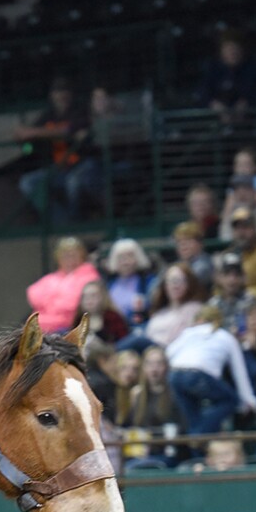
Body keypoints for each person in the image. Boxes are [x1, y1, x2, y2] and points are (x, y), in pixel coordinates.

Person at [165, 305, 256, 435]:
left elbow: (167, 354)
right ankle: (198, 436)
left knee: (194, 420)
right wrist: (249, 401)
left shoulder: (188, 333)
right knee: (230, 400)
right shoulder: (225, 336)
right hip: (198, 376)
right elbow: (239, 372)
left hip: (174, 376)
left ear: (199, 319)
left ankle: (196, 441)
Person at [16, 78, 91, 223]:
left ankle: (78, 223)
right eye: (58, 91)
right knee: (27, 182)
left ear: (71, 94)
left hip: (82, 165)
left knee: (73, 182)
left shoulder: (79, 110)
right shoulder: (49, 115)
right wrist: (24, 138)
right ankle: (62, 223)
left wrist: (34, 132)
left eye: (65, 91)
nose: (62, 95)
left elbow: (69, 130)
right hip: (58, 169)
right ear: (52, 95)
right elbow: (28, 140)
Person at [26, 236, 101, 333]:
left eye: (73, 255)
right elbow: (33, 294)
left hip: (70, 328)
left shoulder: (89, 275)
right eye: (65, 255)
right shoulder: (52, 277)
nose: (69, 259)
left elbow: (73, 303)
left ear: (81, 256)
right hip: (41, 327)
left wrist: (50, 303)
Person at [197, 30, 256, 125]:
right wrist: (216, 106)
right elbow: (203, 92)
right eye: (228, 49)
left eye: (236, 48)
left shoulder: (253, 68)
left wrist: (247, 102)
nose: (233, 52)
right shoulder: (212, 69)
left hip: (248, 120)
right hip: (216, 120)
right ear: (221, 51)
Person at [102, 238, 155, 331]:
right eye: (121, 258)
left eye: (130, 256)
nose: (125, 262)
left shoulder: (147, 281)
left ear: (138, 258)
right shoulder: (109, 283)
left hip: (139, 328)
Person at [76, 279, 128, 345]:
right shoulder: (79, 320)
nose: (88, 300)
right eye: (85, 296)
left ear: (103, 297)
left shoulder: (112, 317)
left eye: (93, 296)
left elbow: (124, 341)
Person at [208, 253, 250, 329]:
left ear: (243, 278)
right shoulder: (213, 304)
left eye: (237, 275)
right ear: (219, 277)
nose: (232, 280)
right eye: (227, 274)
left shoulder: (251, 303)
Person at [169, 222, 213, 289]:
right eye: (179, 241)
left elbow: (185, 286)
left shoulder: (204, 264)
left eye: (188, 240)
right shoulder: (178, 264)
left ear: (200, 244)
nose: (183, 245)